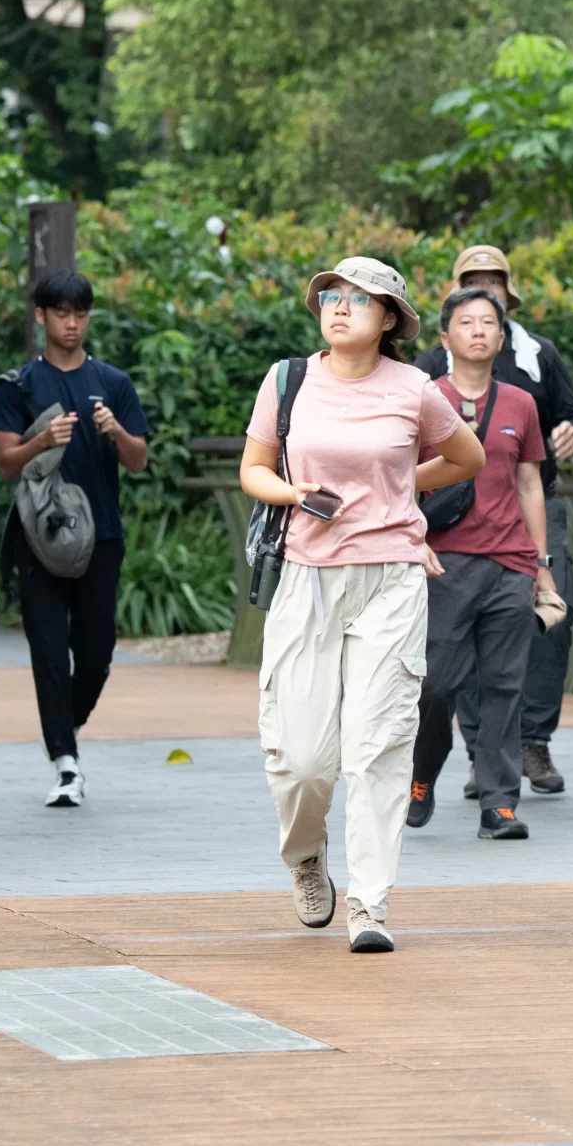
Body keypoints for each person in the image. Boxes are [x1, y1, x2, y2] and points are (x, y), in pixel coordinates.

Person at [240, 257, 485, 953]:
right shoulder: (287, 379)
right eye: (332, 296)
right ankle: (305, 854)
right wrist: (293, 493)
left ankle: (370, 902)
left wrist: (402, 489)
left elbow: (467, 459)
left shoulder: (414, 389)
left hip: (391, 579)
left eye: (359, 299)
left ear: (389, 320)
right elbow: (253, 468)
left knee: (379, 744)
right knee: (302, 759)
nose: (340, 307)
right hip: (306, 575)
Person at [415, 244, 573, 797]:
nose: (484, 292)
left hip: (526, 515)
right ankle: (464, 756)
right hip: (449, 530)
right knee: (449, 663)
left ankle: (525, 753)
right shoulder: (427, 375)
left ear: (507, 301)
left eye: (494, 282)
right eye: (473, 281)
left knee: (543, 631)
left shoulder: (537, 355)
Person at [0, 268, 151, 809]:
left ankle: (64, 727)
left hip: (101, 535)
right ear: (41, 316)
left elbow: (139, 460)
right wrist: (41, 440)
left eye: (80, 313)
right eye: (61, 313)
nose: (72, 323)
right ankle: (65, 762)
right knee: (48, 652)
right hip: (39, 537)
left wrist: (115, 431)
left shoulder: (113, 383)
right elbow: (7, 465)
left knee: (97, 652)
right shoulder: (18, 385)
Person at [405, 285, 558, 839]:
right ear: (445, 338)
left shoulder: (521, 403)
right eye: (466, 322)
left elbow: (529, 484)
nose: (478, 330)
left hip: (509, 563)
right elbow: (398, 479)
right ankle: (422, 773)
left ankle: (499, 802)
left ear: (501, 337)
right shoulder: (422, 397)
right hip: (442, 563)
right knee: (436, 686)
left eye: (488, 322)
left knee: (503, 685)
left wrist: (540, 563)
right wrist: (413, 539)